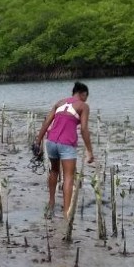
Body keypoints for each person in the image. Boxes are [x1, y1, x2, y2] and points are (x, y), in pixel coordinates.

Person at [33, 81, 95, 219]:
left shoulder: (59, 103)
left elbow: (47, 122)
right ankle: (67, 213)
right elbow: (84, 129)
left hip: (51, 142)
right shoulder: (83, 106)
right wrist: (90, 151)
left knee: (54, 171)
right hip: (66, 144)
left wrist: (38, 141)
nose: (86, 99)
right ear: (83, 94)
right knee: (68, 177)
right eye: (86, 96)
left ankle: (51, 202)